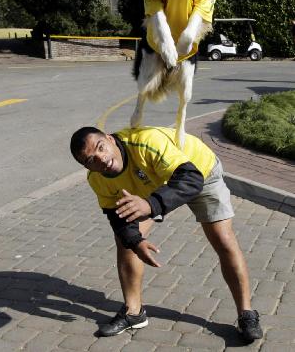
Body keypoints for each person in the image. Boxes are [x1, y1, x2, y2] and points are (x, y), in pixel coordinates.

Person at [70, 125, 263, 343]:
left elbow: (190, 179)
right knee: (125, 244)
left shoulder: (146, 141)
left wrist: (151, 205)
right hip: (153, 183)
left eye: (101, 148)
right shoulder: (98, 179)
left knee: (223, 240)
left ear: (109, 139)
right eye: (90, 160)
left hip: (198, 171)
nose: (101, 159)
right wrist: (135, 241)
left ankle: (246, 314)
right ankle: (134, 313)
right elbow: (118, 217)